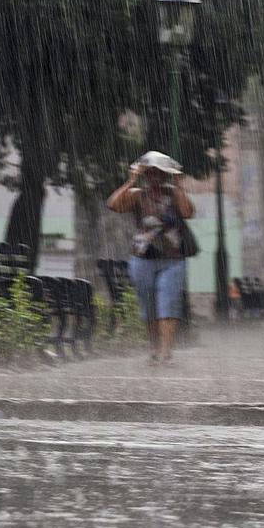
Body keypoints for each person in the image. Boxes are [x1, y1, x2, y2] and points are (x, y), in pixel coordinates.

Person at [106, 151, 196, 366]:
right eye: (151, 173)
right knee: (149, 307)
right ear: (146, 175)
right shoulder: (138, 194)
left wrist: (179, 185)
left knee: (168, 303)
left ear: (165, 174)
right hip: (142, 258)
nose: (155, 177)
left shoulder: (174, 194)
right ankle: (154, 348)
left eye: (159, 173)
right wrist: (131, 180)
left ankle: (166, 353)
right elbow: (113, 205)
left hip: (172, 259)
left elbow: (188, 212)